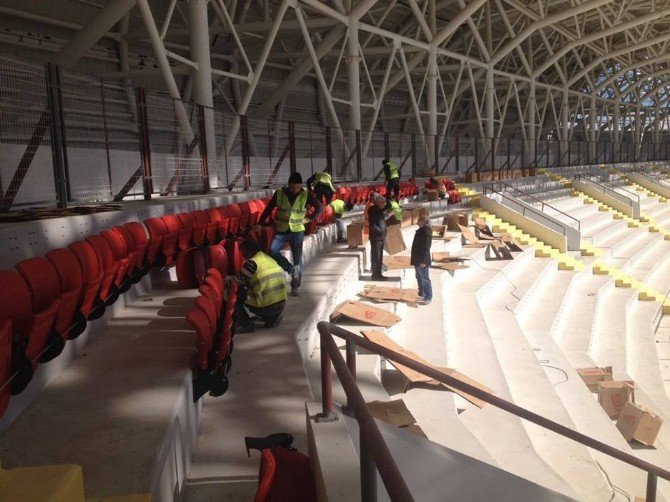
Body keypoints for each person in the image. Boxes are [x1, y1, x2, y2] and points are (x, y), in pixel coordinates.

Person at [258, 172, 323, 296]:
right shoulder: (280, 193)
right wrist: (260, 222)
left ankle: (295, 286)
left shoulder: (305, 194)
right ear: (289, 185)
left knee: (297, 259)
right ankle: (291, 269)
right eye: (293, 187)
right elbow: (269, 208)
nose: (295, 190)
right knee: (272, 251)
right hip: (282, 230)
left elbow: (319, 207)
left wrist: (309, 219)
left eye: (298, 187)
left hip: (297, 230)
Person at [233, 238, 287, 334]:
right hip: (281, 304)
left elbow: (236, 281)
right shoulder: (268, 258)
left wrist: (226, 281)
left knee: (234, 292)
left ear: (248, 250)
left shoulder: (251, 263)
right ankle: (272, 318)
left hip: (267, 306)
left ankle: (245, 323)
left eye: (243, 252)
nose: (242, 255)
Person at [410, 215, 432, 304]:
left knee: (425, 278)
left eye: (419, 220)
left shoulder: (426, 232)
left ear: (423, 221)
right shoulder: (420, 230)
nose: (417, 221)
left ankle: (428, 297)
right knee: (418, 277)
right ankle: (422, 294)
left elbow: (426, 247)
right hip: (417, 258)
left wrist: (423, 261)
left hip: (422, 260)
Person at [368, 193, 390, 281]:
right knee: (376, 257)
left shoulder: (379, 209)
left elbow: (389, 204)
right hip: (376, 237)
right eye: (382, 202)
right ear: (378, 202)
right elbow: (373, 225)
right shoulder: (373, 210)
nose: (384, 204)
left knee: (380, 256)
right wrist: (381, 231)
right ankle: (375, 275)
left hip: (381, 237)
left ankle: (379, 273)